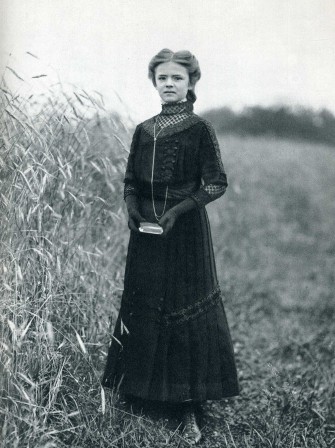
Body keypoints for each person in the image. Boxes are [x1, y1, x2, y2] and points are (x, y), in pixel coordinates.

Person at [102, 48, 239, 444]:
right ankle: (142, 393)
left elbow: (215, 183)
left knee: (183, 307)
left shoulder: (200, 128)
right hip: (145, 229)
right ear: (154, 82)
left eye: (177, 78)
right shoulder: (143, 130)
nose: (169, 84)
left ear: (191, 83)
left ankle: (186, 406)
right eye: (162, 78)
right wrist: (131, 207)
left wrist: (179, 211)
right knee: (144, 302)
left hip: (185, 230)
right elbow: (130, 179)